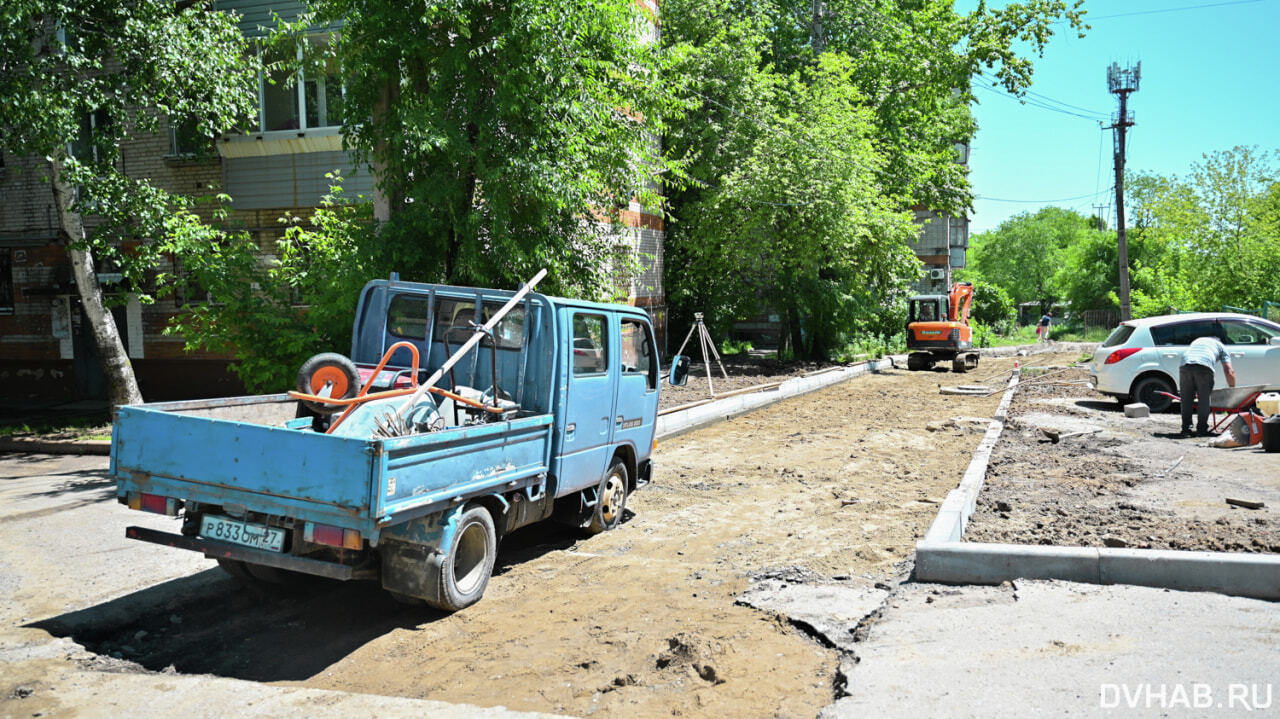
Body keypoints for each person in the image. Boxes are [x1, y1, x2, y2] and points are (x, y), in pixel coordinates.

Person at [1179, 335, 1236, 437]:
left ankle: (1186, 429)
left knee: (1186, 399)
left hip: (1185, 365)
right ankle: (1201, 429)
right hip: (1204, 367)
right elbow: (1229, 371)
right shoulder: (1221, 346)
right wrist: (1232, 389)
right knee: (1204, 400)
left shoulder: (1198, 340)